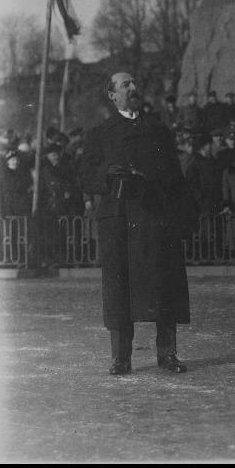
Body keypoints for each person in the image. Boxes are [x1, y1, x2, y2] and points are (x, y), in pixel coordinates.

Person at [78, 72, 195, 375]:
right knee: (119, 290)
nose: (133, 88)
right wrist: (107, 173)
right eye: (125, 85)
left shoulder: (158, 130)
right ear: (112, 95)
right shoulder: (100, 133)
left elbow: (176, 178)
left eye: (134, 83)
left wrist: (181, 216)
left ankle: (167, 353)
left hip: (156, 217)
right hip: (119, 220)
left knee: (164, 285)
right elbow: (83, 175)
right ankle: (121, 357)